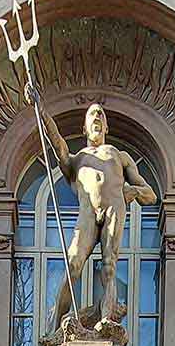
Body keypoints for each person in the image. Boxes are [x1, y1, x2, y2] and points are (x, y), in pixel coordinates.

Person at [34, 97, 159, 333]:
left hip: (114, 206)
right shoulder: (77, 158)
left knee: (109, 265)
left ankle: (106, 323)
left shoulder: (119, 155)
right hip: (88, 211)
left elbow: (150, 195)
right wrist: (41, 110)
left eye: (101, 113)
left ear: (107, 127)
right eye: (92, 114)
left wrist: (131, 191)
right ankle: (53, 328)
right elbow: (58, 143)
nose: (98, 116)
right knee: (74, 265)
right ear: (84, 128)